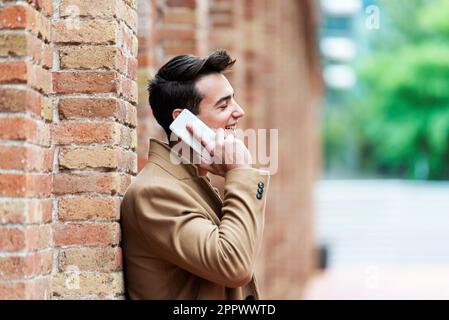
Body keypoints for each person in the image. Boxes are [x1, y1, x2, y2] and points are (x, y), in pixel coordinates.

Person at [120, 50, 270, 300]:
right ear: (183, 122)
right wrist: (240, 171)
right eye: (224, 105)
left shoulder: (191, 180)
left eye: (234, 100)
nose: (239, 112)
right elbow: (233, 265)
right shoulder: (154, 194)